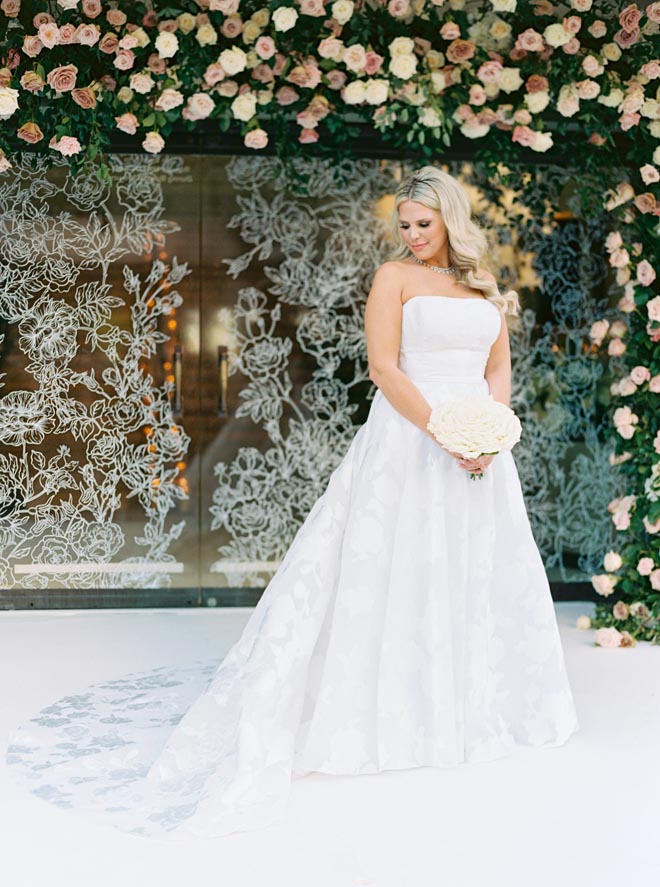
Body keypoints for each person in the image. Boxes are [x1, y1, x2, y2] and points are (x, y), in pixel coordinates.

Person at [5, 165, 579, 841]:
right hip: (411, 438)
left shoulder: (484, 284)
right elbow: (385, 368)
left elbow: (497, 366)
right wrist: (445, 430)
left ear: (451, 220)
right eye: (405, 225)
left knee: (472, 568)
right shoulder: (392, 279)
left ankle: (470, 704)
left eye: (424, 224)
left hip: (480, 453)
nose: (414, 236)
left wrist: (491, 428)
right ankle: (396, 707)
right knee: (395, 568)